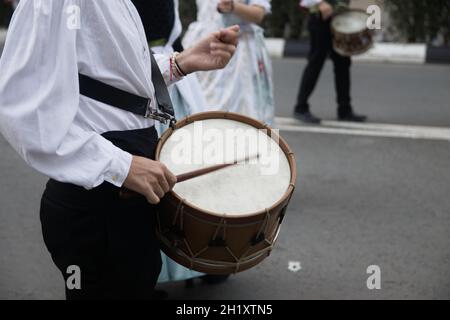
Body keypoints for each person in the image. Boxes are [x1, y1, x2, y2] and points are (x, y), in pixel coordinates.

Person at [0, 0, 239, 300]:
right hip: (98, 198)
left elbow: (104, 75)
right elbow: (23, 108)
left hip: (121, 185)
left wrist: (181, 62)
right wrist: (119, 165)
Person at [131, 0, 205, 286]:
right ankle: (159, 266)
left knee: (190, 167)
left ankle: (197, 255)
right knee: (159, 173)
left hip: (171, 69)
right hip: (142, 70)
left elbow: (173, 31)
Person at [183, 0, 275, 125]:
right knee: (196, 105)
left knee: (238, 112)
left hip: (237, 51)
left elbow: (258, 14)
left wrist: (233, 6)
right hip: (203, 43)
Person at [293, 0, 367, 124]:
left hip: (339, 16)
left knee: (343, 63)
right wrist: (320, 2)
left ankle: (344, 109)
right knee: (315, 63)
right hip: (320, 17)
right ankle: (300, 107)